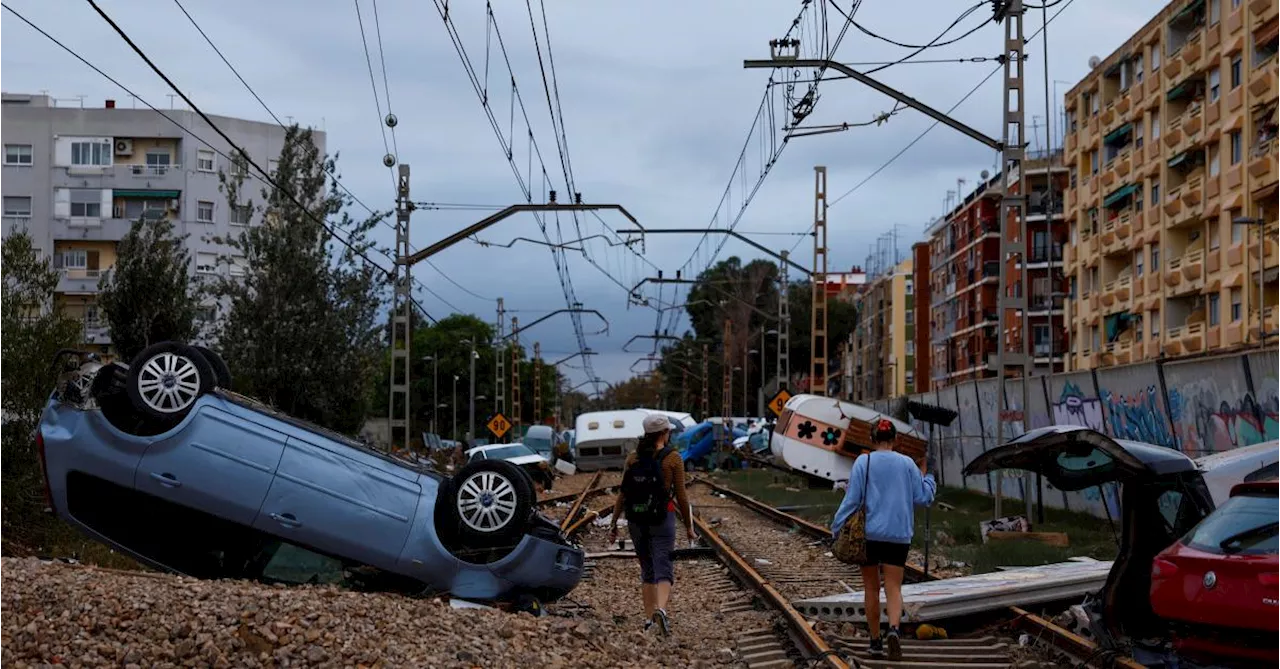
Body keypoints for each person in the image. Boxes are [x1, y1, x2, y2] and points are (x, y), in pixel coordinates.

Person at [830, 418, 936, 661]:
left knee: (871, 588)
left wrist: (836, 528)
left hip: (869, 535)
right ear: (895, 439)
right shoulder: (907, 463)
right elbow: (923, 498)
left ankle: (875, 642)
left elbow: (852, 501)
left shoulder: (863, 462)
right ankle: (895, 630)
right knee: (893, 587)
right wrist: (928, 477)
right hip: (898, 536)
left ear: (872, 439)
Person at [609, 413, 694, 636]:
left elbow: (623, 493)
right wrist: (688, 526)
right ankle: (662, 610)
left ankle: (649, 619)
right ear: (665, 433)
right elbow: (682, 497)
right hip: (662, 517)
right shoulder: (673, 458)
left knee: (647, 569)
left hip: (636, 519)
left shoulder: (632, 458)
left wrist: (614, 522)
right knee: (664, 566)